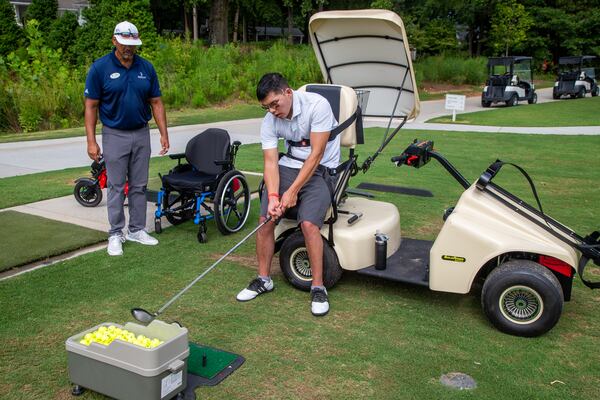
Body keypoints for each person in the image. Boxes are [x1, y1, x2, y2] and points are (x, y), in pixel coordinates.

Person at [236, 73, 339, 316]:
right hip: (289, 166)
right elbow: (271, 162)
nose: (272, 111)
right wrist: (273, 196)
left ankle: (318, 287)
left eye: (275, 104)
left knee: (308, 225)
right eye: (266, 107)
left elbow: (316, 155)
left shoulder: (318, 106)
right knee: (265, 220)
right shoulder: (269, 120)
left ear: (288, 93)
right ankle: (264, 279)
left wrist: (292, 192)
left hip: (323, 169)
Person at [84, 21, 170, 256]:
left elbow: (156, 102)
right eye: (124, 44)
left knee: (140, 185)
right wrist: (91, 141)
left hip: (141, 132)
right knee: (115, 186)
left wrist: (163, 133)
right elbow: (91, 106)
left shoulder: (146, 68)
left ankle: (137, 229)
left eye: (132, 44)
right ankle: (115, 233)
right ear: (114, 41)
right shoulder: (100, 68)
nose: (128, 49)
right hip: (114, 134)